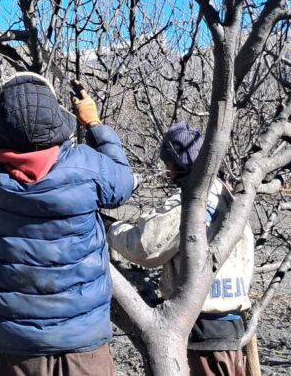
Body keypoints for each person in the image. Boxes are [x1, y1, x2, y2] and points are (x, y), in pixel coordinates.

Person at [0, 9, 135, 376]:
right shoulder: (87, 167)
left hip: (19, 349)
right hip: (85, 345)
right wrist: (95, 124)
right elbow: (124, 183)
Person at [107, 123, 255, 376]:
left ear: (178, 163)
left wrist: (111, 229)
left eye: (168, 163)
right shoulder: (227, 196)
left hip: (200, 326)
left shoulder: (189, 203)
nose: (166, 171)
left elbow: (145, 246)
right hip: (229, 324)